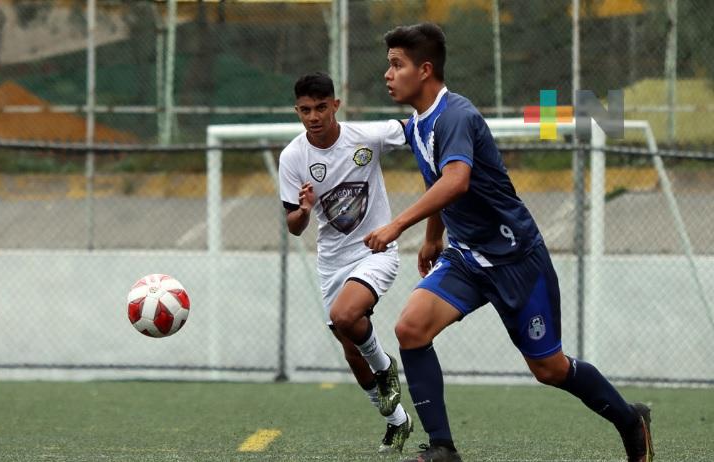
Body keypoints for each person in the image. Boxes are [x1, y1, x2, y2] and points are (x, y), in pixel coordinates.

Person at [363, 23, 654, 462]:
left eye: (396, 65)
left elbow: (456, 181)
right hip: (466, 257)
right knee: (410, 329)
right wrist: (432, 238)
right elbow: (441, 181)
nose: (388, 73)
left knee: (549, 369)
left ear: (425, 70)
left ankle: (631, 419)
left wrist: (396, 226)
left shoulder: (456, 115)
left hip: (516, 259)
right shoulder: (421, 123)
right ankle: (443, 448)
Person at [278, 72, 413, 453]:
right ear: (297, 111)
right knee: (351, 350)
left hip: (376, 250)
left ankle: (386, 369)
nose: (314, 116)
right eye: (305, 110)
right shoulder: (293, 157)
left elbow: (415, 127)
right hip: (332, 262)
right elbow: (293, 226)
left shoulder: (367, 138)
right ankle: (396, 421)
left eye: (321, 107)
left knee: (345, 315)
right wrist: (303, 210)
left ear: (336, 105)